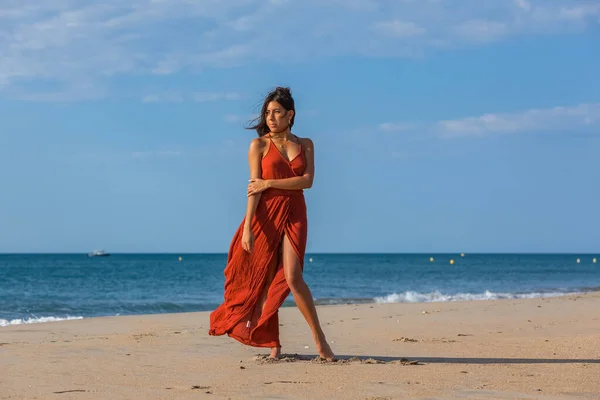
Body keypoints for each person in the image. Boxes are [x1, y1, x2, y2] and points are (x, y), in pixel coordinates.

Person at [209, 86, 335, 361]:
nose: (271, 118)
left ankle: (319, 338)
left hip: (295, 212)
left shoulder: (306, 144)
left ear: (290, 115)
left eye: (277, 112)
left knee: (292, 276)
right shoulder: (259, 145)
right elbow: (254, 189)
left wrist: (269, 183)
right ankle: (272, 343)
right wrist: (248, 227)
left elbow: (307, 181)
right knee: (264, 277)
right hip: (266, 214)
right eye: (267, 113)